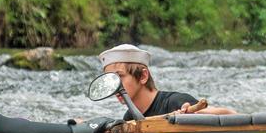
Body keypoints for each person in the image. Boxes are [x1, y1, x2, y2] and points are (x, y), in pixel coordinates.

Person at [98, 44, 236, 118]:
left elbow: (230, 115)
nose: (114, 86)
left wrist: (197, 115)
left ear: (143, 76)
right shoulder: (129, 118)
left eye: (119, 76)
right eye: (110, 79)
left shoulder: (176, 102)